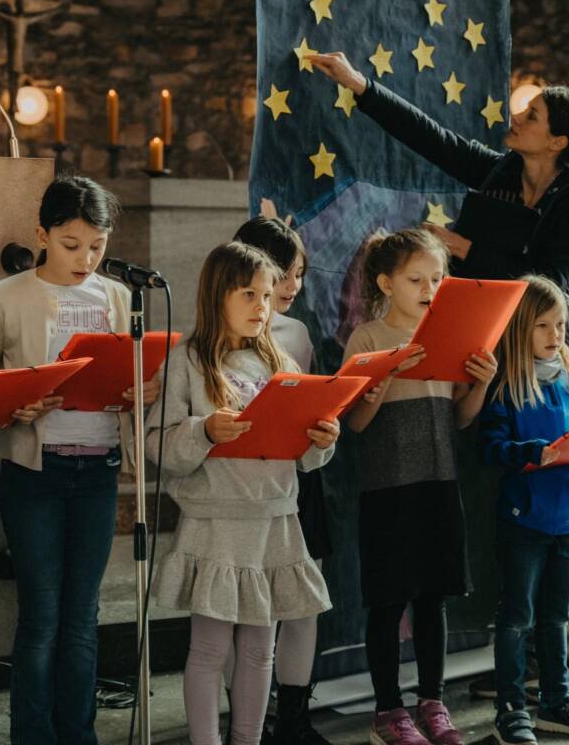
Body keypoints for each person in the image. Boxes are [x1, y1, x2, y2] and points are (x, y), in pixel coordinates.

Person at [309, 52, 569, 703]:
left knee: (568, 505)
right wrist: (361, 86)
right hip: (494, 350)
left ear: (558, 140)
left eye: (532, 115)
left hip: (549, 353)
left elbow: (553, 283)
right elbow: (434, 139)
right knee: (515, 495)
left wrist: (467, 250)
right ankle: (533, 660)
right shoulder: (506, 171)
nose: (518, 117)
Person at [0, 175, 160, 745]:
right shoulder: (5, 296)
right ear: (43, 235)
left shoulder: (119, 297)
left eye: (97, 246)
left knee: (84, 615)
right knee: (41, 615)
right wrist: (16, 406)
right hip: (35, 471)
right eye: (71, 244)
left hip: (98, 467)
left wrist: (142, 391)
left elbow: (132, 378)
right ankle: (33, 736)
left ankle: (78, 734)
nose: (85, 259)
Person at [146, 241, 339, 745]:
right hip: (217, 524)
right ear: (218, 295)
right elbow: (157, 444)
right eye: (248, 294)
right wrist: (205, 430)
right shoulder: (187, 361)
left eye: (267, 296)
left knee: (259, 650)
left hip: (274, 522)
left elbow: (304, 456)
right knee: (210, 649)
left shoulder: (281, 363)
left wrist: (322, 441)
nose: (262, 306)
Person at [342, 228, 497, 745]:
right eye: (416, 279)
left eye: (437, 278)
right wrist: (382, 379)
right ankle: (388, 710)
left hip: (439, 482)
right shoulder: (367, 338)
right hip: (387, 488)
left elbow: (461, 417)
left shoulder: (451, 334)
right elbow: (356, 424)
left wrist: (481, 382)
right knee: (388, 602)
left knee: (433, 599)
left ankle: (433, 702)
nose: (429, 288)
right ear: (386, 283)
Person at [476, 276, 569, 745]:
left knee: (557, 618)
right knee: (516, 618)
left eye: (560, 325)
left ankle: (557, 701)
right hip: (525, 521)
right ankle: (511, 708)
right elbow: (491, 448)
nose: (555, 334)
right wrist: (532, 452)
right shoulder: (506, 388)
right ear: (519, 329)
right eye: (543, 325)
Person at [232, 216, 333, 744]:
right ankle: (248, 720)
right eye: (285, 274)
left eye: (300, 275)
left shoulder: (298, 333)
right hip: (245, 486)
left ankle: (295, 717)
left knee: (301, 603)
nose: (293, 286)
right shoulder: (220, 335)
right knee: (250, 609)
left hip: (298, 479)